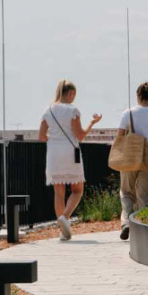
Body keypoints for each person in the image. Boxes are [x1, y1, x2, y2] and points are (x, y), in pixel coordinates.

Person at [38, 79, 102, 240]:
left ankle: (62, 230)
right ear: (71, 93)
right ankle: (64, 218)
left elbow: (41, 136)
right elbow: (80, 135)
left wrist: (54, 141)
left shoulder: (48, 110)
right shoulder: (73, 110)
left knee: (59, 192)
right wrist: (91, 123)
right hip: (70, 153)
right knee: (77, 190)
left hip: (53, 154)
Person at [114, 81, 148, 240]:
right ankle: (143, 230)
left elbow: (120, 137)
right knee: (145, 195)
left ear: (137, 96)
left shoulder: (127, 114)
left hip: (130, 154)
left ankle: (126, 224)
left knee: (126, 191)